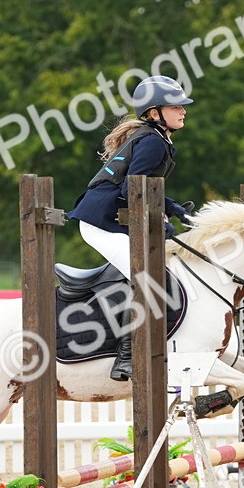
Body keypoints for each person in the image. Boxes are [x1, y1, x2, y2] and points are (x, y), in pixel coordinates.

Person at [66, 75, 196, 381]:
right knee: (146, 278)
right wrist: (158, 218)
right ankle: (125, 357)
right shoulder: (152, 140)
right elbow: (133, 190)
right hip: (99, 223)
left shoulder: (154, 137)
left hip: (106, 218)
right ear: (154, 113)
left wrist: (174, 210)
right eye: (175, 106)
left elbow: (144, 188)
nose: (183, 111)